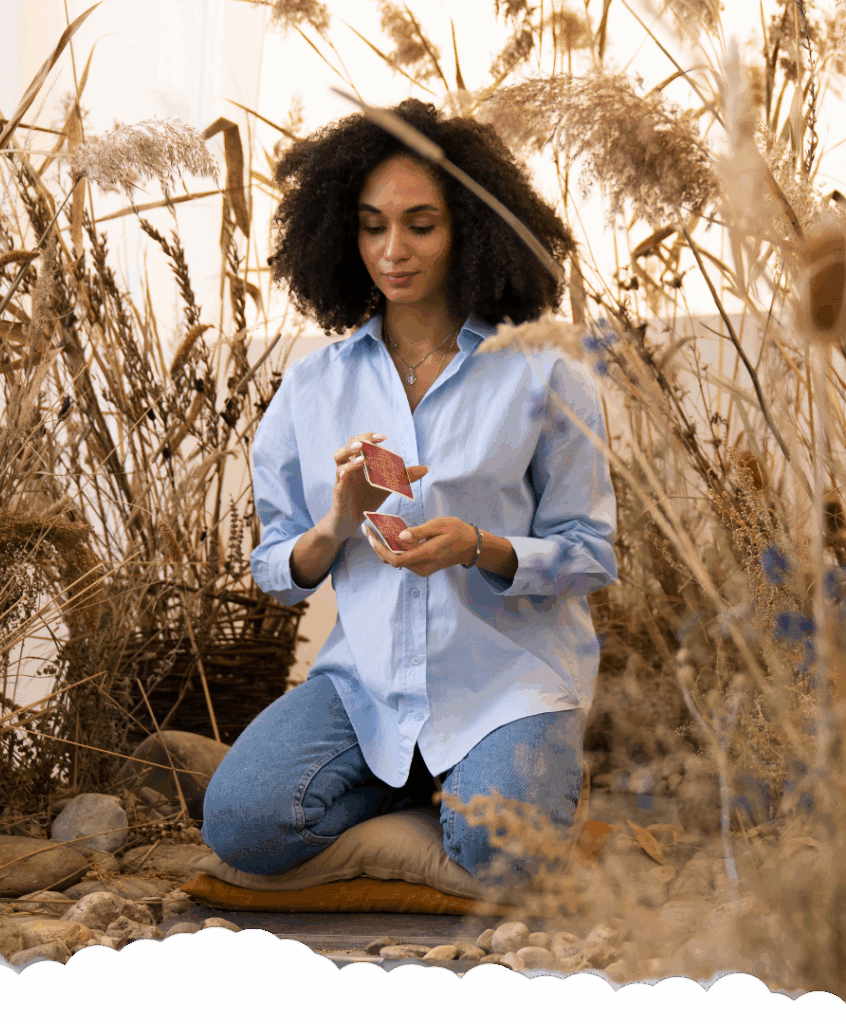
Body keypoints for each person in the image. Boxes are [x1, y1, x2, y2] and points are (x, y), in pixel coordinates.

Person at [200, 98, 617, 888]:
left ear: (468, 227)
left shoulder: (545, 373)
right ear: (342, 232)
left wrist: (481, 547)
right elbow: (274, 567)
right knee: (242, 823)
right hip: (367, 688)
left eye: (420, 225)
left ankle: (491, 782)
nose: (393, 250)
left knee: (503, 851)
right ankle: (417, 783)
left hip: (508, 679)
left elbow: (589, 555)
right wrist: (336, 524)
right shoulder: (313, 386)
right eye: (371, 225)